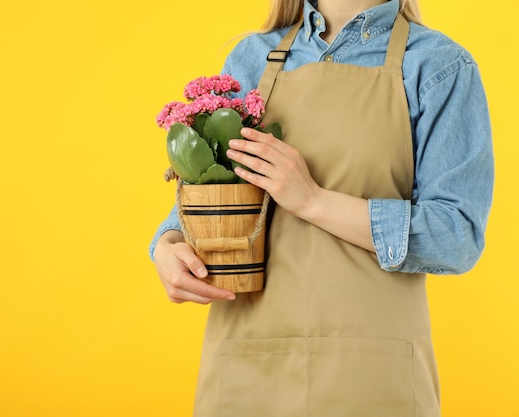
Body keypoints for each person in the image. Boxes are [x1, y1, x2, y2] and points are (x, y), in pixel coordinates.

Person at [149, 0, 494, 415]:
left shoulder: (439, 66)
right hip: (248, 369)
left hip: (372, 379)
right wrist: (169, 243)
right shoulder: (251, 58)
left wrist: (313, 200)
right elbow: (214, 189)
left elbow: (455, 236)